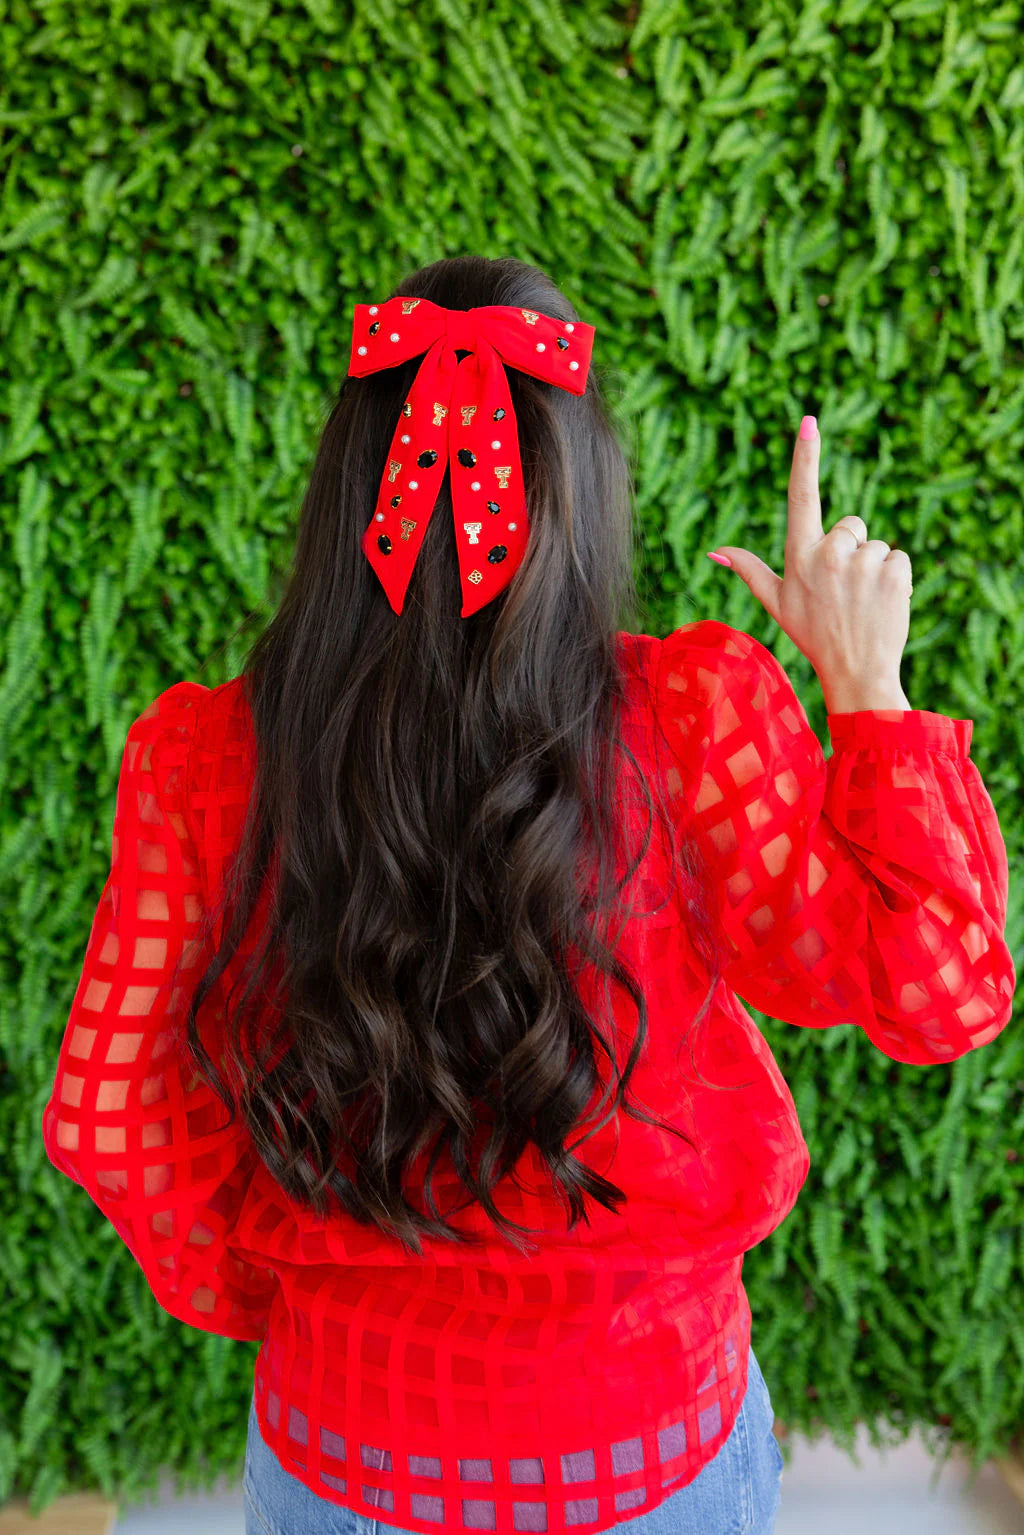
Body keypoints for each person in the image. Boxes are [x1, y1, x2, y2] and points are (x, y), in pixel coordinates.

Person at [41, 256, 1014, 1535]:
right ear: (583, 492)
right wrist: (864, 689)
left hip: (340, 1440)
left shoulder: (206, 757)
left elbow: (108, 1112)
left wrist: (280, 1292)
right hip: (647, 1442)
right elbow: (940, 988)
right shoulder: (694, 721)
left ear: (346, 489)